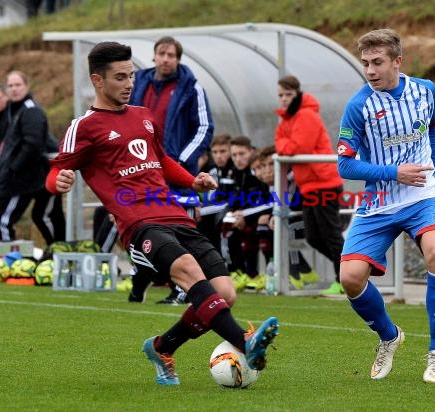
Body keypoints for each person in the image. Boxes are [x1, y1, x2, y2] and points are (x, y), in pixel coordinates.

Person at [45, 41, 278, 384]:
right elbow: (55, 171)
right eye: (120, 77)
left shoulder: (143, 117)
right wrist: (59, 180)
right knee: (186, 270)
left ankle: (162, 346)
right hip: (138, 224)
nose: (128, 83)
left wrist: (192, 180)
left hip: (175, 215)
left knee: (225, 294)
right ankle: (243, 339)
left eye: (131, 76)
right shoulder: (85, 126)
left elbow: (162, 161)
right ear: (98, 80)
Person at [336, 29, 435, 383]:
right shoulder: (358, 106)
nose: (370, 70)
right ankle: (389, 336)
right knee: (350, 278)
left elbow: (432, 131)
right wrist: (394, 172)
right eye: (365, 64)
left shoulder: (426, 91)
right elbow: (345, 165)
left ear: (397, 61)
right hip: (378, 201)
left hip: (422, 195)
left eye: (377, 62)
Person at [129, 35, 214, 305]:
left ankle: (182, 290)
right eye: (161, 53)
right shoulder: (137, 82)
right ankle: (141, 278)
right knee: (142, 230)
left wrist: (181, 162)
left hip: (179, 175)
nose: (166, 59)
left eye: (171, 55)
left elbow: (204, 128)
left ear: (178, 59)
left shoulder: (192, 88)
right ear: (154, 56)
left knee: (181, 230)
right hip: (142, 172)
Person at [274, 75, 346, 296]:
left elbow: (297, 147)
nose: (284, 99)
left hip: (325, 183)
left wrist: (285, 145)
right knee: (314, 237)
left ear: (298, 93)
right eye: (280, 95)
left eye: (288, 94)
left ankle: (345, 278)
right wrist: (285, 145)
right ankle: (352, 269)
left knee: (330, 234)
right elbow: (279, 143)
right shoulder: (289, 118)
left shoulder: (305, 115)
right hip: (310, 185)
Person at [0, 70, 66, 245]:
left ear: (27, 86)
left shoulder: (31, 111)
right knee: (35, 217)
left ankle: (56, 254)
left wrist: (14, 168)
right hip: (21, 178)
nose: (14, 89)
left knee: (5, 222)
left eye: (18, 85)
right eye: (11, 85)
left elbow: (33, 144)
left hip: (28, 178)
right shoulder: (14, 112)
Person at [250, 145, 319, 290]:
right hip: (294, 217)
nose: (267, 170)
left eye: (271, 164)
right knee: (266, 225)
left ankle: (294, 273)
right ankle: (288, 271)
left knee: (286, 227)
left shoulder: (291, 177)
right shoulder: (269, 182)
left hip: (312, 218)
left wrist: (272, 215)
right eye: (263, 166)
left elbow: (289, 202)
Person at [224, 136, 271, 292]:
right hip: (250, 215)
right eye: (234, 155)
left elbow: (271, 201)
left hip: (264, 216)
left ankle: (264, 275)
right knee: (229, 225)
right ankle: (240, 272)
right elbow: (235, 200)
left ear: (251, 151)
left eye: (242, 154)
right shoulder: (236, 173)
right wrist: (234, 213)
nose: (238, 159)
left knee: (259, 226)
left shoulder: (260, 170)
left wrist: (244, 215)